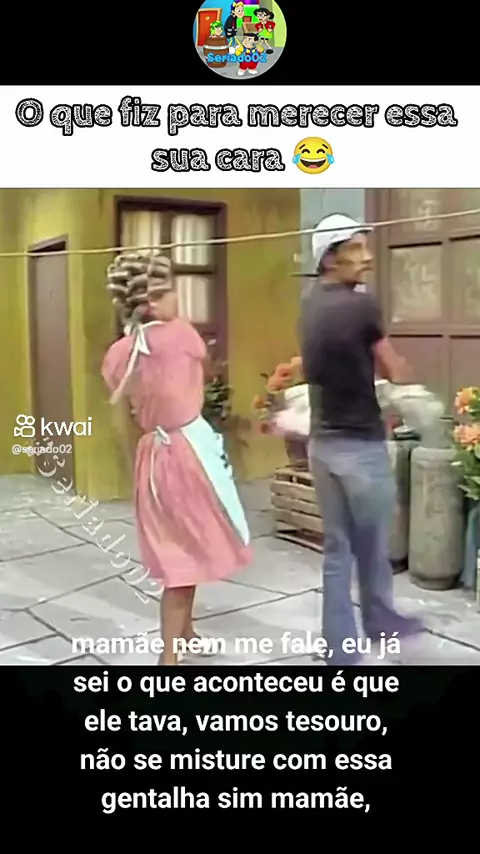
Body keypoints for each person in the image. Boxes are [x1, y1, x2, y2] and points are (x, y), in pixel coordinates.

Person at [102, 251, 251, 665]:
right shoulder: (181, 335)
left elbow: (129, 405)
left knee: (182, 544)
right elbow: (205, 370)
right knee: (183, 561)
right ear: (150, 302)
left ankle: (186, 632)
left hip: (152, 455)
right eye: (169, 292)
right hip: (187, 452)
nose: (177, 299)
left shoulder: (119, 353)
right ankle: (168, 660)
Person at [299, 214, 424, 666]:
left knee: (338, 551)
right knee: (372, 548)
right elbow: (394, 368)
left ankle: (339, 648)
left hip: (322, 446)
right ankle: (381, 623)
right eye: (356, 248)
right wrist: (407, 386)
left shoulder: (309, 304)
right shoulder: (361, 306)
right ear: (331, 258)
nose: (367, 257)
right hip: (360, 448)